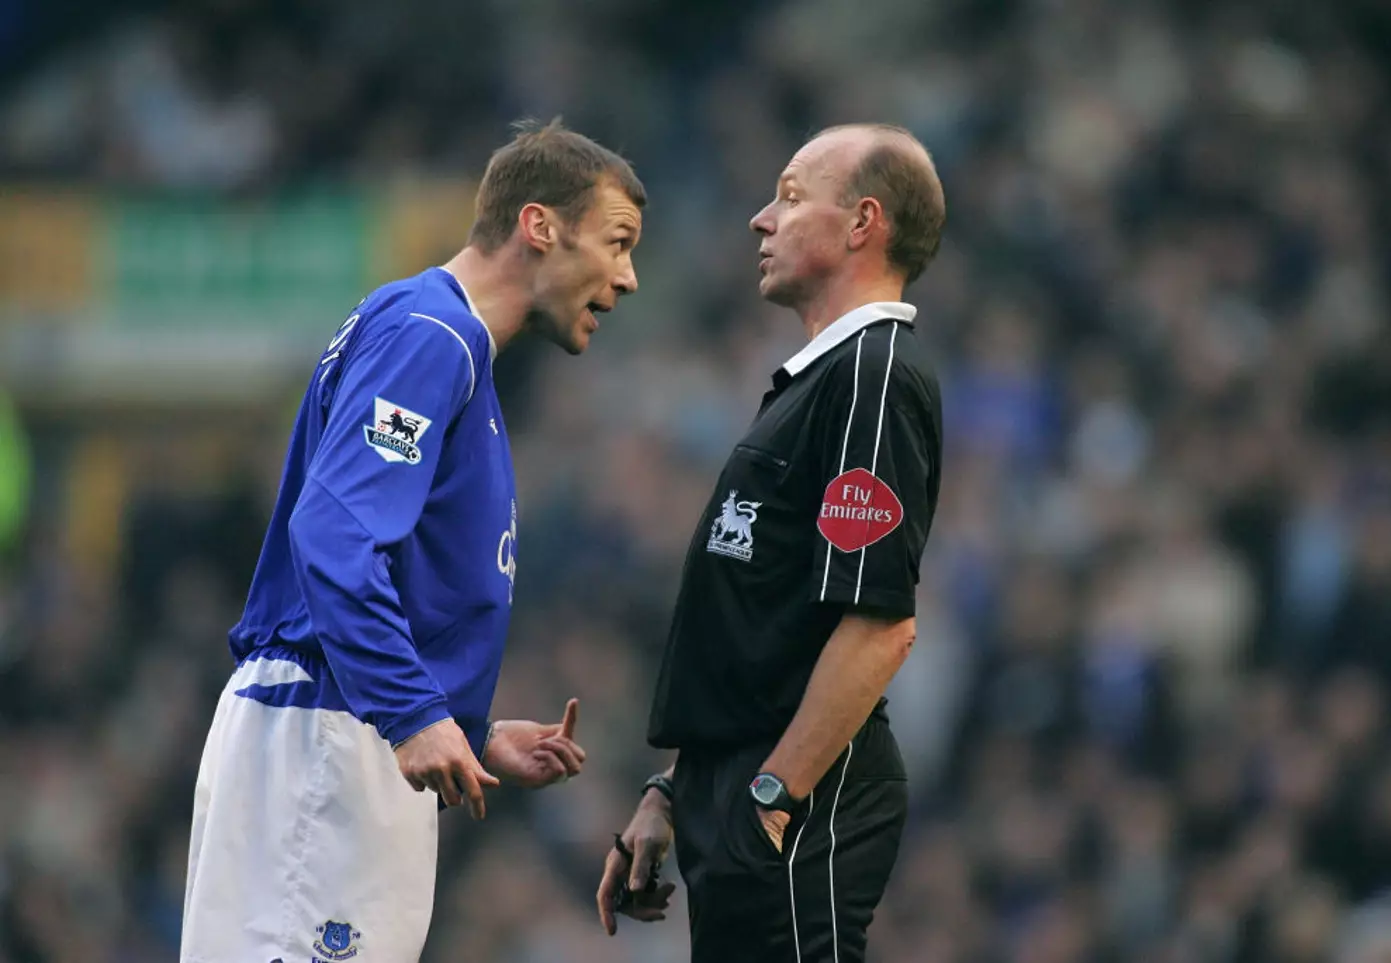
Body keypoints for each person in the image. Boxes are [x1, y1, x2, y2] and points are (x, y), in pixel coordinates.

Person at [181, 119, 645, 963]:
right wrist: (413, 710)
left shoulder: (443, 341)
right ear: (539, 226)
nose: (628, 276)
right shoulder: (433, 335)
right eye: (616, 242)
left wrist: (464, 725)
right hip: (330, 730)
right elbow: (333, 533)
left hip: (343, 727)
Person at [596, 123, 946, 961]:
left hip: (801, 793)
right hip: (744, 785)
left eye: (790, 197)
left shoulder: (871, 375)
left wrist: (771, 795)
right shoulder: (821, 379)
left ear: (862, 223)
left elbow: (880, 625)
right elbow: (767, 629)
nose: (761, 218)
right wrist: (676, 791)